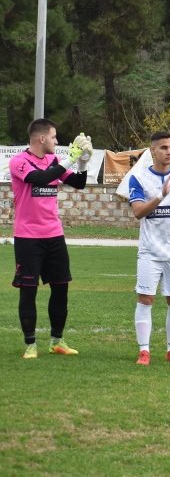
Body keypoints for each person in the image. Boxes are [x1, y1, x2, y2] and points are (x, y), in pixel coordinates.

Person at [9, 119, 91, 359]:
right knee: (28, 290)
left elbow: (79, 183)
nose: (57, 142)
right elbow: (40, 179)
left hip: (54, 235)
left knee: (61, 288)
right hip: (28, 238)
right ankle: (30, 344)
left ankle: (57, 340)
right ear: (41, 138)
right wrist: (71, 157)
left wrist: (83, 162)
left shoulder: (54, 161)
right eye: (54, 137)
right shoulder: (19, 162)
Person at [128, 131, 170, 365]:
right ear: (152, 151)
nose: (169, 152)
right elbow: (138, 212)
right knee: (145, 298)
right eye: (164, 148)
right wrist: (161, 194)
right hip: (150, 251)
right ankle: (144, 351)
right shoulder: (138, 178)